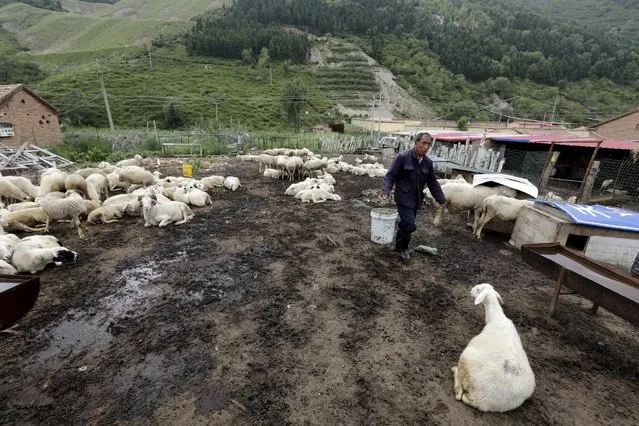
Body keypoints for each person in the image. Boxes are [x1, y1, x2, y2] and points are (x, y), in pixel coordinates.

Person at [381, 132, 446, 262]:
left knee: (405, 223)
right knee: (410, 225)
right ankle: (404, 248)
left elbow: (432, 182)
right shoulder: (402, 157)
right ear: (416, 143)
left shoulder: (427, 163)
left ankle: (398, 246)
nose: (426, 147)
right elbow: (390, 175)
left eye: (429, 144)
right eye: (423, 143)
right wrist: (385, 190)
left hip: (416, 199)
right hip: (403, 197)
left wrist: (441, 199)